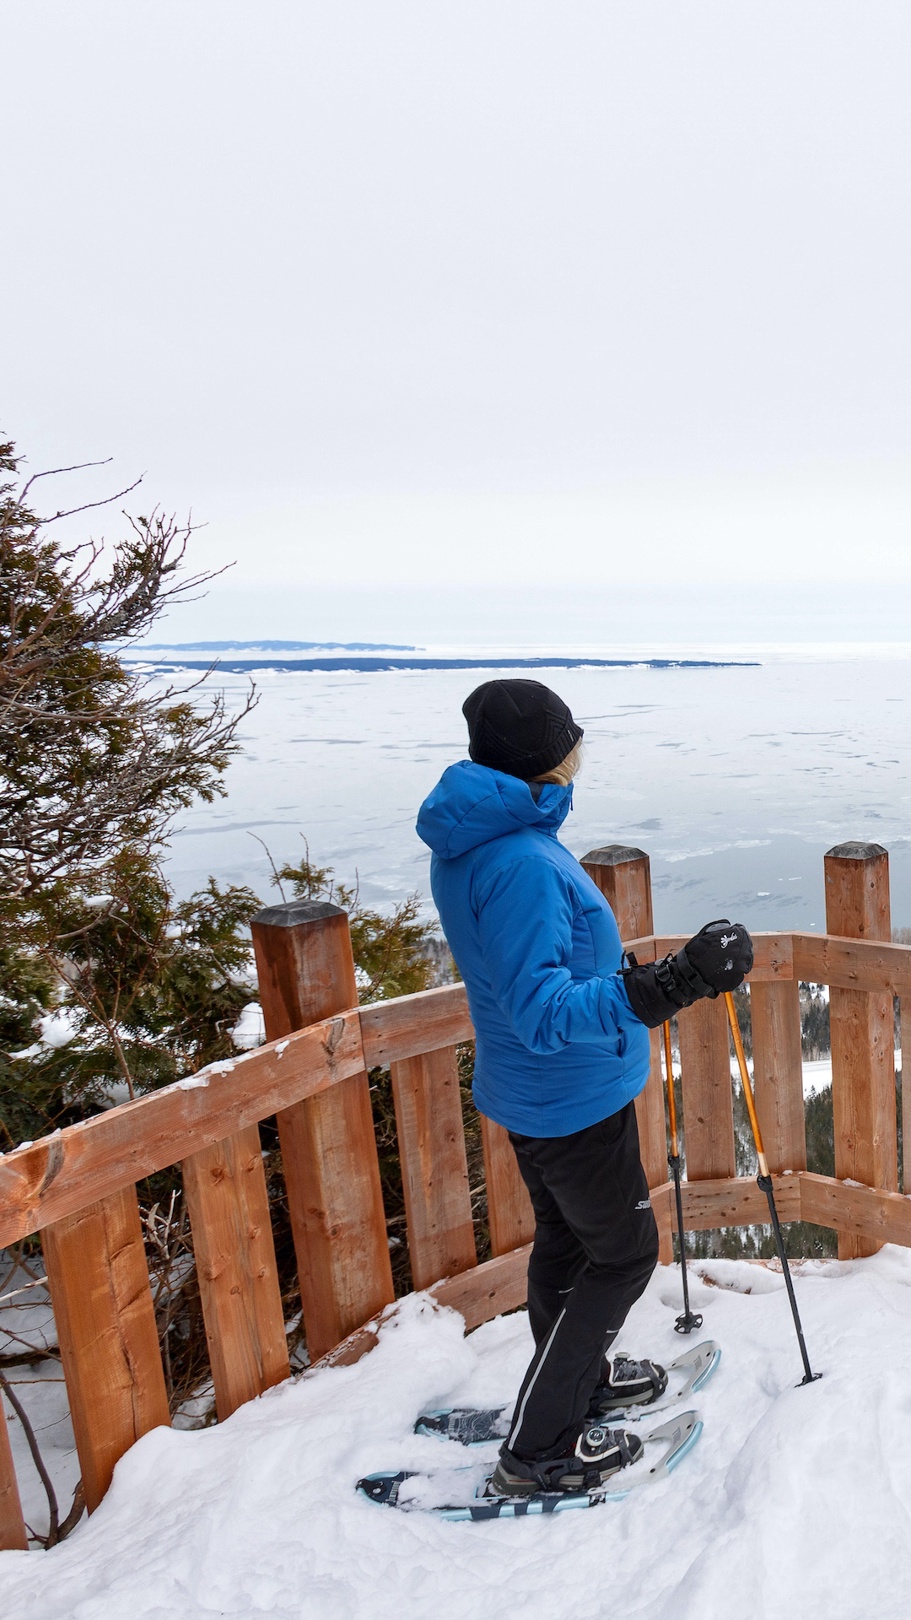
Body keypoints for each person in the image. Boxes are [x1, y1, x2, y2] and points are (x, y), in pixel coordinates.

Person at [416, 678, 753, 1498]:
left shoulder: (484, 837)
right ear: (546, 756)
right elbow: (541, 1009)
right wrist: (669, 984)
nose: (579, 746)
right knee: (625, 1254)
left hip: (543, 1092)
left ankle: (579, 1383)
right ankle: (539, 1451)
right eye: (570, 736)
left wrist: (638, 982)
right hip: (567, 1096)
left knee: (570, 1248)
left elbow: (544, 976)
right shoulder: (519, 861)